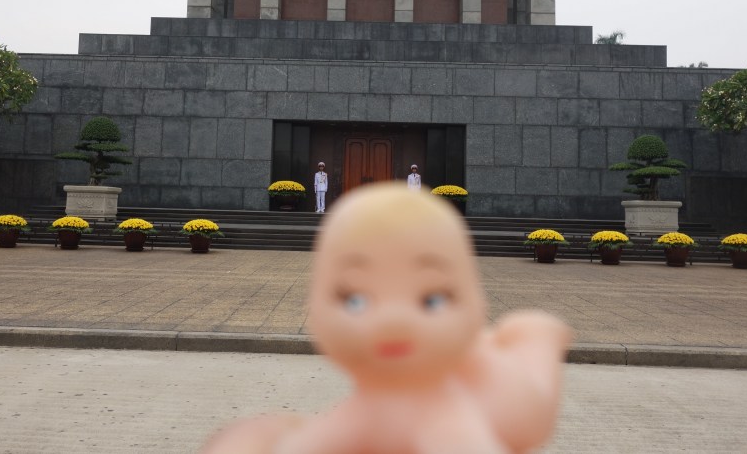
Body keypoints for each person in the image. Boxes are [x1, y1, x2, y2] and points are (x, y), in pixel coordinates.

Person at [201, 183, 572, 454]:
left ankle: (533, 336)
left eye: (432, 299)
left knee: (531, 406)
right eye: (355, 300)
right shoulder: (361, 413)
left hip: (503, 389)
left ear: (477, 305)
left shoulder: (447, 417)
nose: (393, 321)